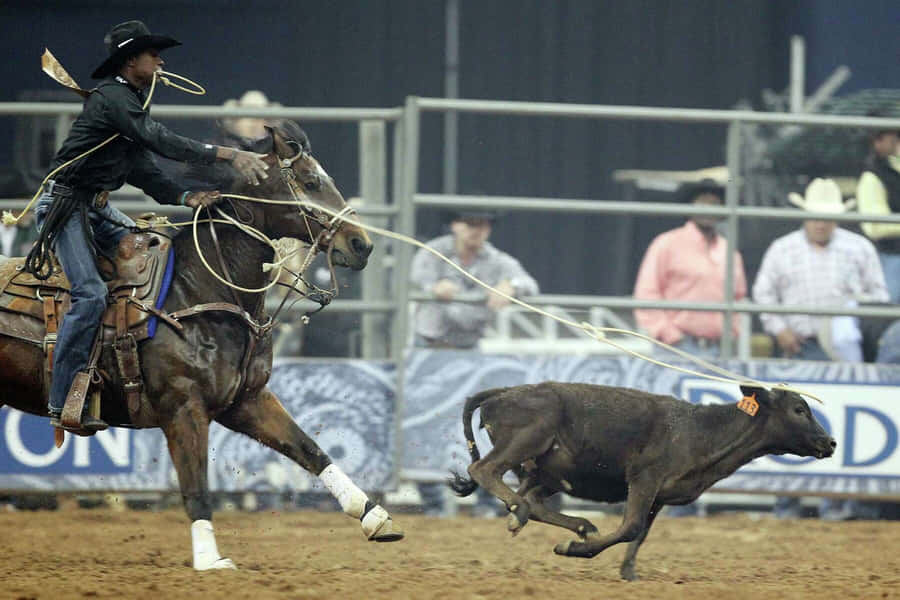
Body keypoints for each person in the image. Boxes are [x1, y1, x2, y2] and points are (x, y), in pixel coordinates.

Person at [29, 20, 270, 431]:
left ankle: (135, 361)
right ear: (130, 60)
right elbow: (157, 138)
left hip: (96, 208)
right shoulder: (113, 100)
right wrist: (226, 155)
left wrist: (183, 197)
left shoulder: (129, 104)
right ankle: (61, 399)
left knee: (156, 253)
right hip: (65, 206)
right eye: (151, 53)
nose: (160, 59)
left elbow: (142, 168)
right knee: (88, 295)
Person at [753, 178, 888, 519]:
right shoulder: (783, 249)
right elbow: (764, 295)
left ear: (836, 219)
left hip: (847, 346)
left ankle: (837, 503)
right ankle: (789, 502)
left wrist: (853, 312)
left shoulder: (858, 248)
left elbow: (880, 297)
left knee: (834, 420)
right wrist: (779, 328)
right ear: (805, 216)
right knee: (787, 425)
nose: (821, 222)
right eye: (816, 216)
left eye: (827, 217)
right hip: (798, 345)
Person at [409, 209, 539, 517]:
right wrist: (432, 288)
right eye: (470, 224)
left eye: (483, 225)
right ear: (455, 225)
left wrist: (513, 287)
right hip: (429, 349)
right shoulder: (434, 252)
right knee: (424, 424)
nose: (476, 231)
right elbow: (415, 277)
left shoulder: (496, 261)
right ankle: (434, 503)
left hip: (468, 350)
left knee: (478, 426)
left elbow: (529, 284)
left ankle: (484, 499)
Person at [633, 179, 748, 359]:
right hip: (675, 346)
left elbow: (738, 296)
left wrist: (731, 331)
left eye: (715, 204)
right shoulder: (667, 243)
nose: (708, 209)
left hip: (718, 348)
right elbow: (646, 292)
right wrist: (668, 333)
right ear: (690, 206)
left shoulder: (729, 251)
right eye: (702, 202)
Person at [857, 124, 900, 302]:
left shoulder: (891, 172)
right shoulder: (873, 176)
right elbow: (875, 227)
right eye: (894, 140)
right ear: (878, 142)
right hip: (893, 257)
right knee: (893, 312)